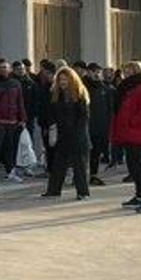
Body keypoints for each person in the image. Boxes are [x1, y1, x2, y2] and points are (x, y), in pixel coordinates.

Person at [112, 62, 141, 213]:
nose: (126, 73)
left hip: (139, 133)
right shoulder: (129, 88)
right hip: (129, 133)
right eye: (125, 70)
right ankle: (140, 194)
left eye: (129, 70)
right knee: (133, 166)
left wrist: (132, 122)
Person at [41, 67, 92, 200]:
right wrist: (51, 128)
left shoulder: (80, 94)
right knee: (58, 163)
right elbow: (51, 114)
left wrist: (77, 133)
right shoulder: (55, 94)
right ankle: (53, 190)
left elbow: (84, 117)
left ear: (72, 80)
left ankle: (83, 192)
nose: (63, 82)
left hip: (78, 135)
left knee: (79, 166)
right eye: (60, 79)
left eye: (65, 79)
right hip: (62, 134)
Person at [0, 58, 26, 182]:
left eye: (5, 67)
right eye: (0, 67)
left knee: (10, 146)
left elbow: (20, 102)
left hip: (12, 120)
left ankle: (11, 171)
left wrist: (23, 118)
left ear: (9, 69)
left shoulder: (16, 83)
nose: (3, 69)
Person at [86, 66, 113, 185]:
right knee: (84, 152)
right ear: (88, 72)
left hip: (100, 125)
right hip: (86, 125)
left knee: (96, 152)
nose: (96, 75)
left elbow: (110, 108)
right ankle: (81, 175)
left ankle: (93, 174)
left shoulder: (106, 89)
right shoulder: (83, 87)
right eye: (93, 72)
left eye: (98, 72)